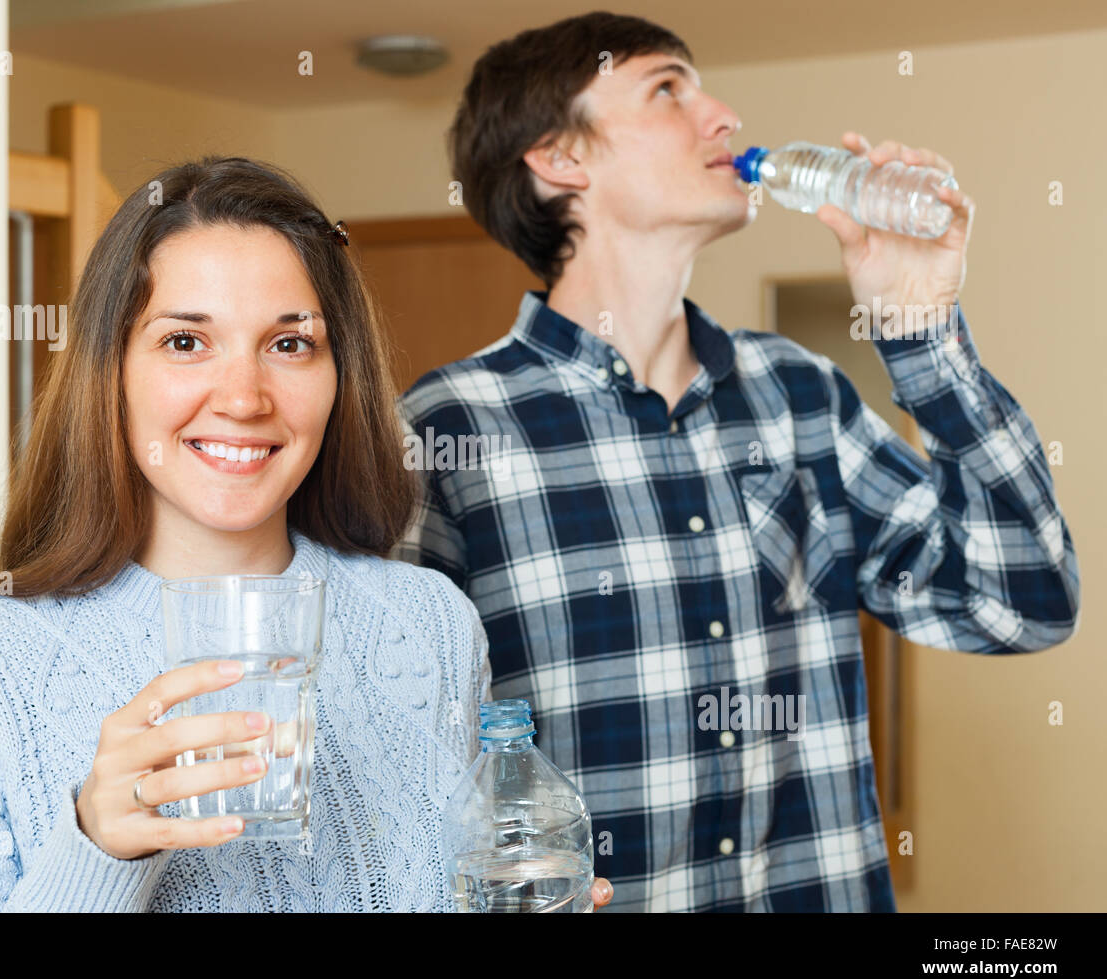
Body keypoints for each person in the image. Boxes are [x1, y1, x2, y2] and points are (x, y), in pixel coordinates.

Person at [396, 11, 1079, 912]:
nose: (722, 115)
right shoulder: (446, 431)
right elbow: (397, 773)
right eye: (668, 89)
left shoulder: (801, 396)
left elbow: (1023, 604)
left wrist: (921, 334)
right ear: (560, 158)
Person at [0, 155, 613, 912]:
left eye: (290, 344)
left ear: (339, 374)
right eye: (186, 342)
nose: (244, 398)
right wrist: (97, 848)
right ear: (111, 369)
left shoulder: (431, 623)